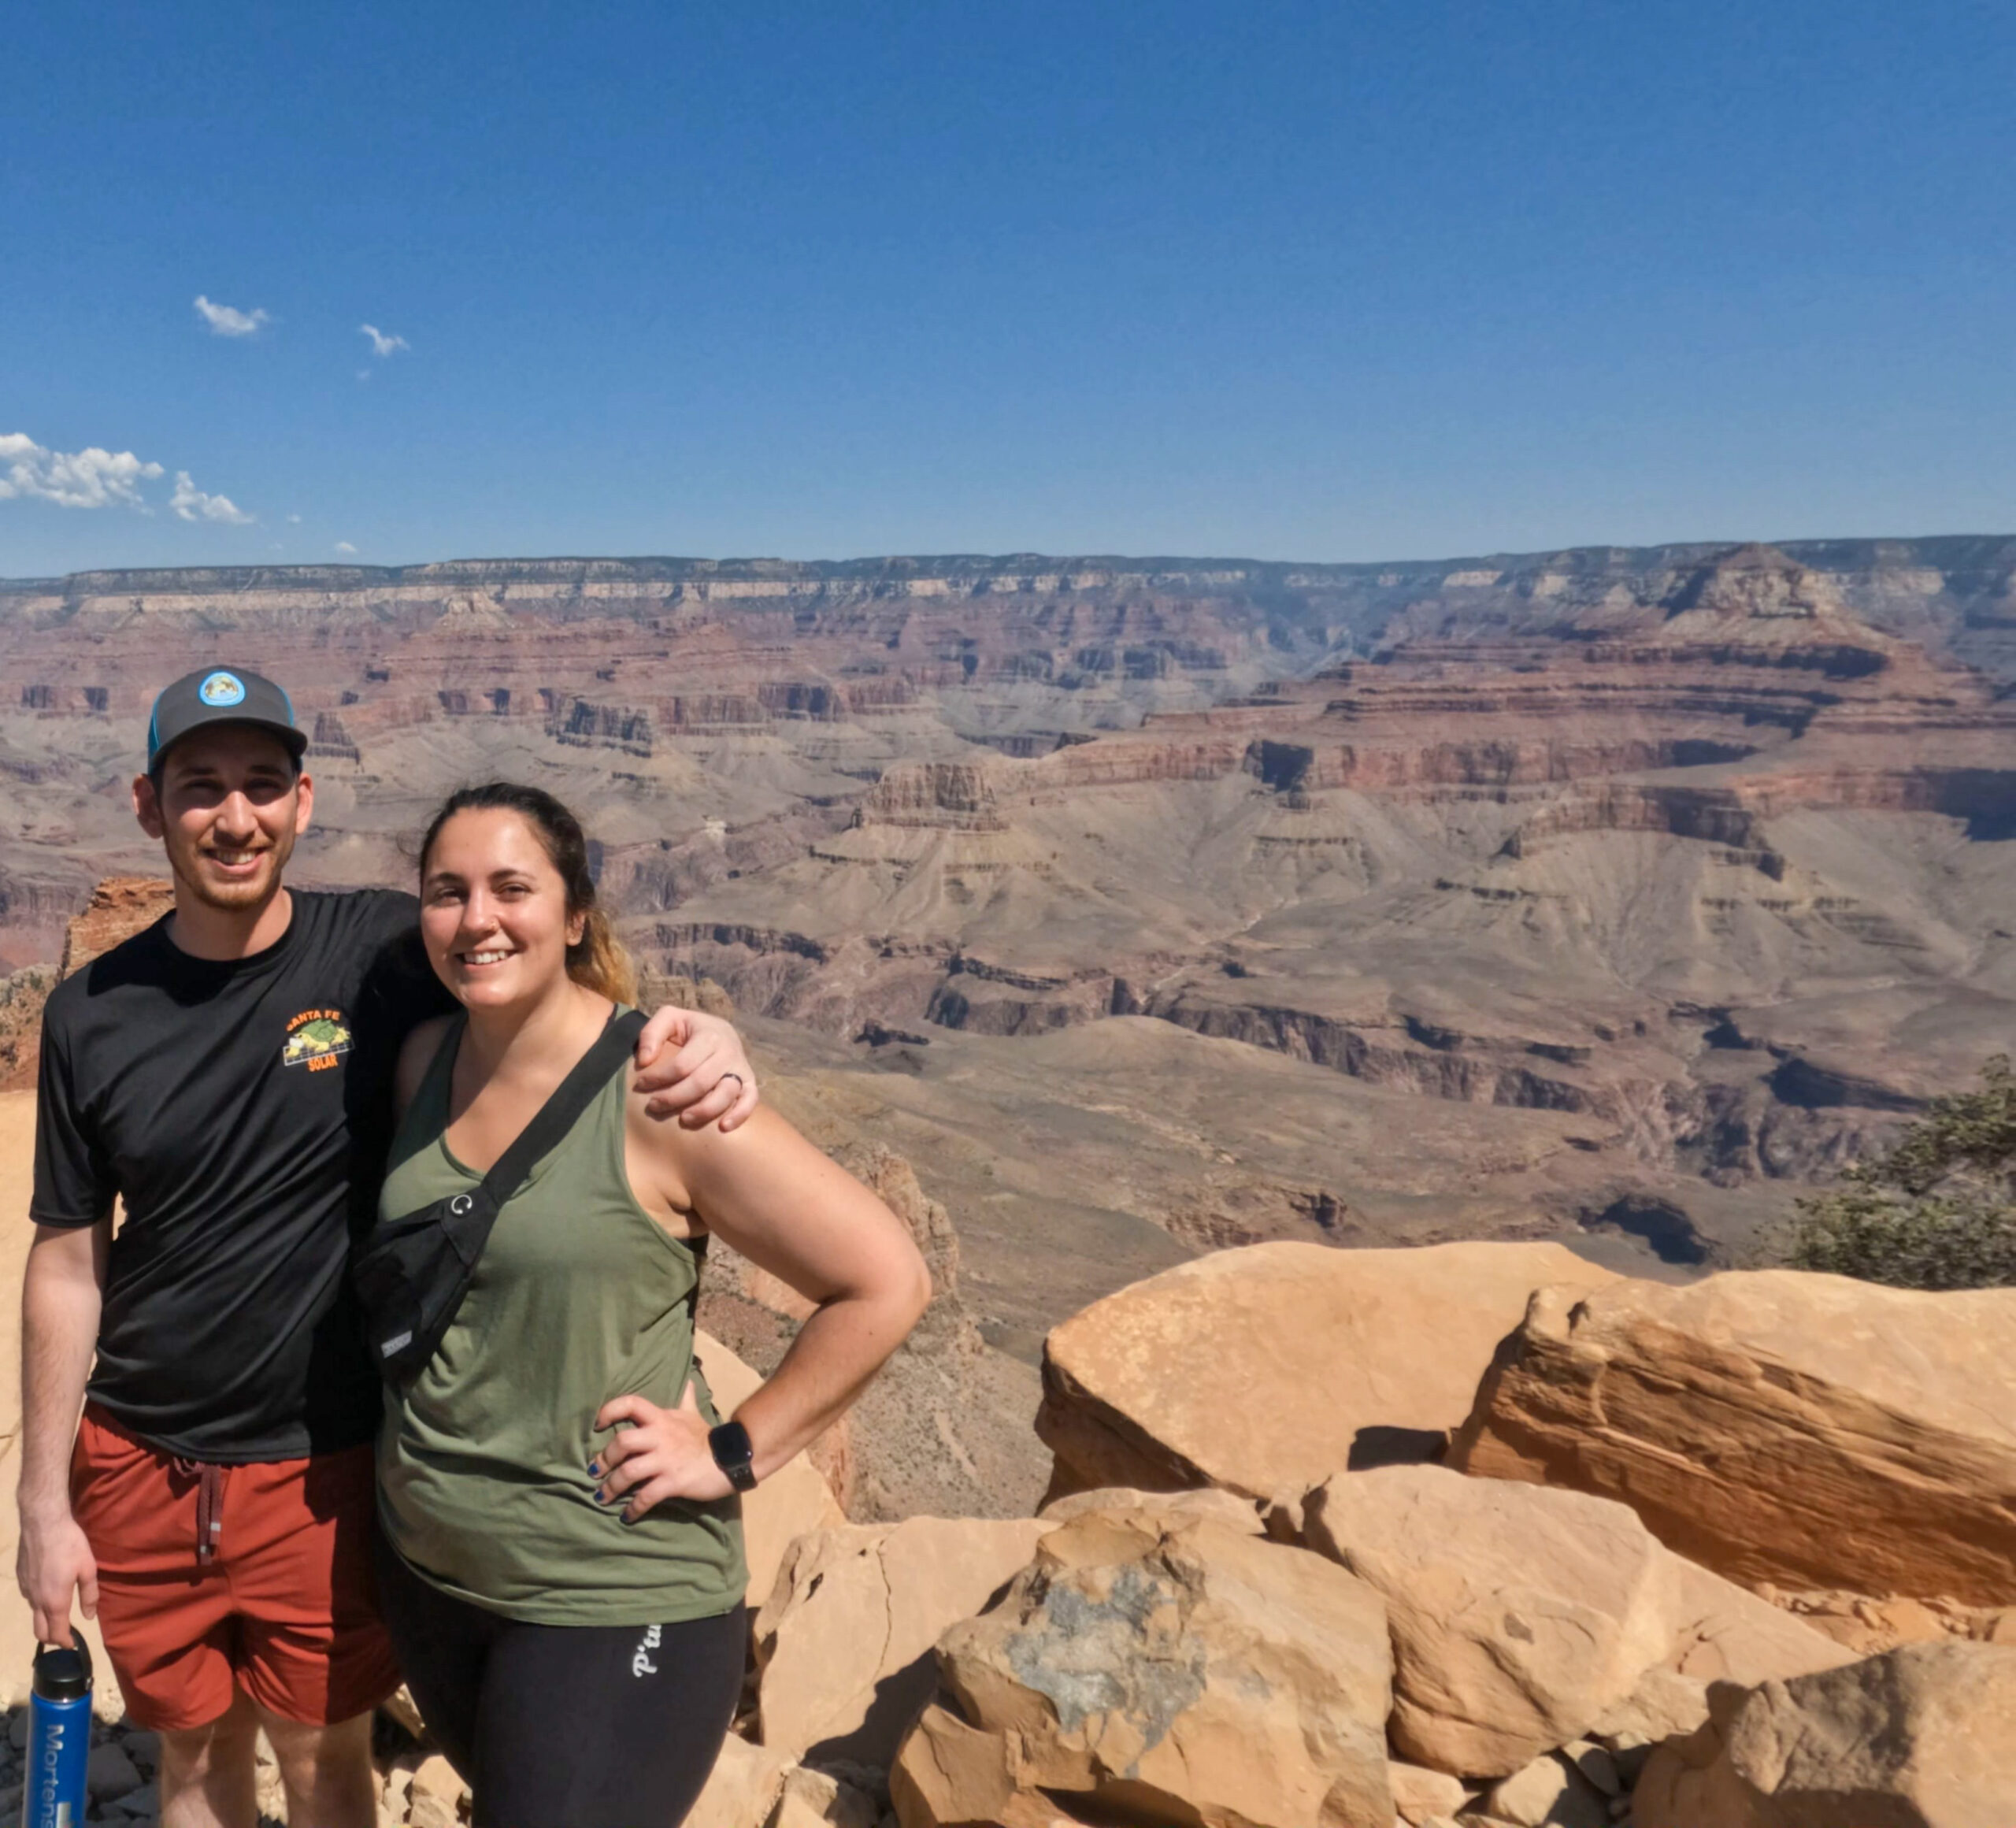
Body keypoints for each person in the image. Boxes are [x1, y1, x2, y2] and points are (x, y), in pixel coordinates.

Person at [20, 668, 761, 1828]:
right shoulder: (90, 1013)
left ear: (304, 801)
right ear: (147, 803)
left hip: (323, 1464)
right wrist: (41, 1502)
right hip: (138, 1459)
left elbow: (540, 981)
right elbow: (69, 1262)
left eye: (263, 783)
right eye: (200, 785)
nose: (234, 816)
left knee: (325, 1758)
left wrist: (696, 1030)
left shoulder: (382, 948)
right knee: (192, 1760)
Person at [371, 781, 930, 1827]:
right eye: (448, 892)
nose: (478, 918)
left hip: (611, 1593)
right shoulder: (420, 1061)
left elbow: (886, 1279)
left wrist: (732, 1450)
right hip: (432, 1581)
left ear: (576, 915)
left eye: (512, 888)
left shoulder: (661, 1093)